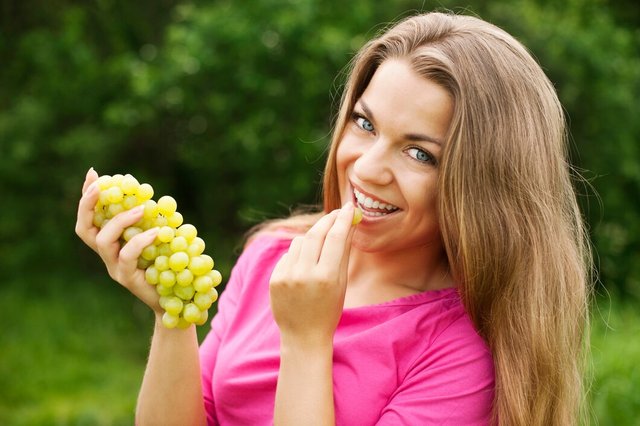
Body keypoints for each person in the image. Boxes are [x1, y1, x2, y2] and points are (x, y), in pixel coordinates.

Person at [75, 11, 592, 426]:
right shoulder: (273, 256)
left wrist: (306, 340)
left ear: (484, 187)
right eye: (365, 123)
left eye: (419, 154)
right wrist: (174, 315)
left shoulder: (465, 355)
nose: (365, 167)